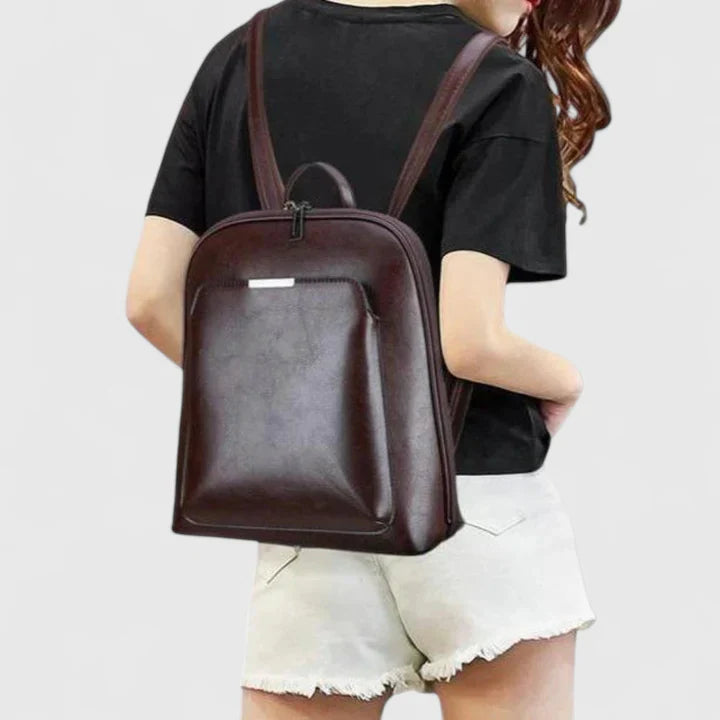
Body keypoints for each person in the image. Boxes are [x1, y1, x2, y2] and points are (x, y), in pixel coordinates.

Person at [125, 0, 619, 717]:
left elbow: (150, 300)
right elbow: (471, 341)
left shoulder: (242, 55)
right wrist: (564, 382)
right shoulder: (498, 81)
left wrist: (301, 412)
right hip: (472, 498)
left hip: (315, 506)